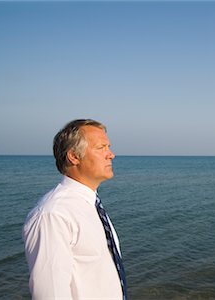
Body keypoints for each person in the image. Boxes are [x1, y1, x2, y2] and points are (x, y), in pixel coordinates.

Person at [23, 119, 127, 299]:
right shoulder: (53, 214)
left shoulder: (90, 205)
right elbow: (51, 294)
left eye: (108, 147)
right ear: (74, 156)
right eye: (101, 147)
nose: (111, 154)